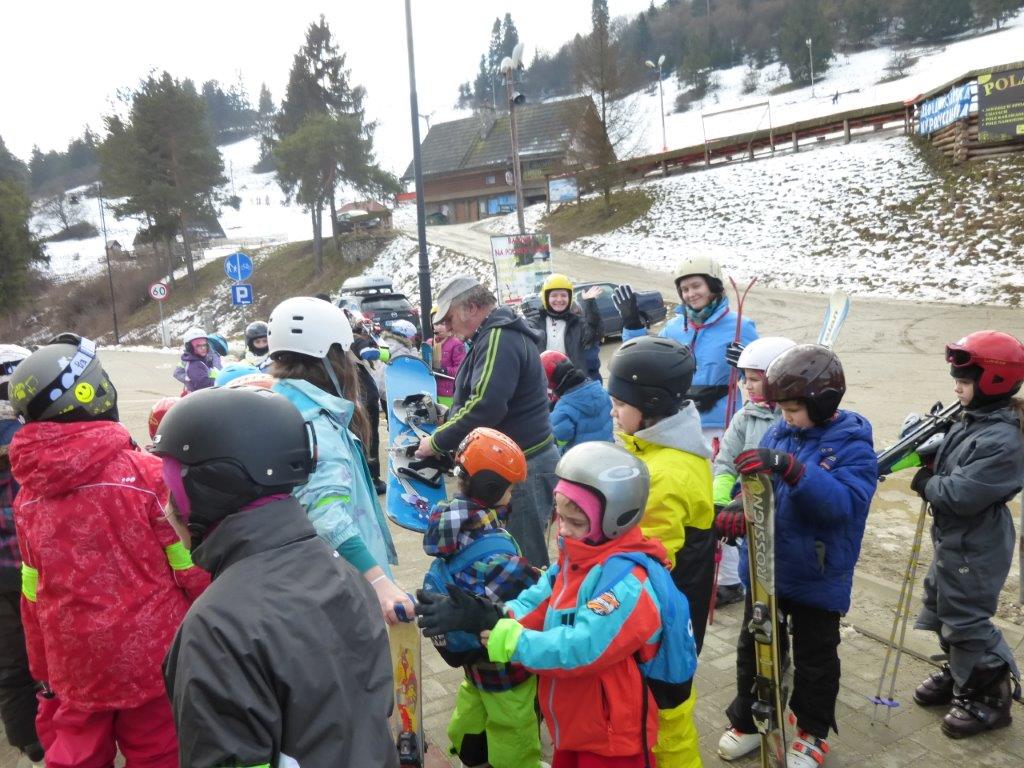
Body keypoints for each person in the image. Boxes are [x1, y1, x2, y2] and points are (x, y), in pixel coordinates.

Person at [154, 387, 398, 767]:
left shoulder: (215, 629)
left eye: (174, 492)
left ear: (209, 491)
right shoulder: (342, 572)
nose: (167, 509)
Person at [6, 334, 208, 768]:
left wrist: (43, 667)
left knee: (75, 753)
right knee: (159, 752)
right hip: (153, 657)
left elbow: (33, 589)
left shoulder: (27, 495)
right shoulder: (145, 475)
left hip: (73, 662)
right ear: (92, 392)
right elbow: (188, 565)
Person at [417, 442, 671, 768]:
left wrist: (514, 640)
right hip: (572, 719)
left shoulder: (627, 583)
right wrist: (496, 615)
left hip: (611, 736)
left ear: (615, 520)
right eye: (559, 518)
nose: (562, 531)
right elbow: (539, 595)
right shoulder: (577, 555)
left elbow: (581, 646)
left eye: (575, 522)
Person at [718, 344, 876, 767]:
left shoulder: (852, 445)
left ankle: (811, 729)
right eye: (782, 408)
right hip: (768, 566)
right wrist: (737, 505)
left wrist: (794, 469)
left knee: (815, 656)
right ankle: (751, 718)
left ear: (822, 402)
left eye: (792, 409)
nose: (785, 416)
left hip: (816, 572)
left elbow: (842, 506)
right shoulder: (779, 432)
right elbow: (755, 481)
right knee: (755, 645)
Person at [615, 255, 758, 612]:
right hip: (680, 424)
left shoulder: (740, 325)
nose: (691, 293)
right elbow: (645, 360)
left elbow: (760, 375)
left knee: (718, 498)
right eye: (684, 288)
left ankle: (728, 580)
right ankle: (711, 573)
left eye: (696, 286)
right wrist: (632, 325)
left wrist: (747, 363)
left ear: (712, 286)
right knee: (695, 504)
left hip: (721, 426)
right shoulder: (676, 328)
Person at [909, 331, 1024, 739]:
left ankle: (990, 695)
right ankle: (962, 672)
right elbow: (951, 460)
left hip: (978, 541)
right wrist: (929, 449)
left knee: (967, 617)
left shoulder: (1005, 439)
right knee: (942, 603)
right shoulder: (972, 418)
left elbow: (960, 493)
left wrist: (926, 482)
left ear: (994, 381)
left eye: (963, 380)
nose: (956, 387)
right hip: (955, 537)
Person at [266, 297, 409, 622]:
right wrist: (380, 582)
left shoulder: (282, 401)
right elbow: (327, 517)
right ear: (327, 356)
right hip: (345, 586)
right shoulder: (315, 423)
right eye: (344, 352)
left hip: (311, 580)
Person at [606, 335, 713, 768]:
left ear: (648, 404)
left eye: (618, 403)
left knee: (664, 720)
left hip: (663, 626)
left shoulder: (662, 475)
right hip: (679, 613)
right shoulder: (670, 451)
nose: (612, 411)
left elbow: (644, 561)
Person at [417, 275, 558, 569]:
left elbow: (486, 406)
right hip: (517, 463)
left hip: (521, 467)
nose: (447, 326)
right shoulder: (493, 335)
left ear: (470, 308)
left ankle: (525, 615)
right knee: (512, 556)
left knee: (523, 560)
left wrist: (438, 441)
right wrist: (449, 419)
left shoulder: (497, 337)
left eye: (450, 317)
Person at [422, 427, 541, 768]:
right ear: (493, 488)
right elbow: (526, 601)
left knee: (473, 700)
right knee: (512, 722)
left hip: (469, 657)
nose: (512, 493)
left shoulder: (451, 523)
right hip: (502, 664)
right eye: (510, 487)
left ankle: (470, 752)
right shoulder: (498, 555)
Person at [711, 337, 797, 606]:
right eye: (744, 378)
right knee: (757, 587)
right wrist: (721, 502)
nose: (746, 385)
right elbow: (725, 462)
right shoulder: (744, 418)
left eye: (754, 379)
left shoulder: (794, 416)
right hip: (750, 515)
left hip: (786, 518)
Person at [0, 344, 43, 767]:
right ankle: (58, 726)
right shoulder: (35, 436)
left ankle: (29, 741)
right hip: (37, 567)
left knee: (11, 663)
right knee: (50, 657)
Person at [524, 273, 602, 379]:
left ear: (570, 298)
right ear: (546, 298)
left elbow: (594, 332)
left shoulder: (577, 323)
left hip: (573, 384)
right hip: (543, 385)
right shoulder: (535, 322)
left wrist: (590, 303)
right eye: (554, 295)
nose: (559, 299)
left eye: (564, 295)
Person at [540, 350, 613, 452]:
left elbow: (559, 439)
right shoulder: (601, 391)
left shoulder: (563, 410)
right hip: (608, 450)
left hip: (581, 462)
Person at [431, 308, 467, 406]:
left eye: (442, 324)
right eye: (435, 324)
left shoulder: (456, 343)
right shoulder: (429, 343)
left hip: (448, 393)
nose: (438, 328)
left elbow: (461, 369)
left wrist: (444, 370)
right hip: (431, 390)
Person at [173, 327, 222, 393]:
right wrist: (222, 380)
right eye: (198, 346)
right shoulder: (195, 365)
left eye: (204, 345)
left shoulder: (203, 360)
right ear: (189, 347)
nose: (203, 348)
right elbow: (204, 385)